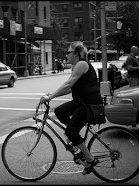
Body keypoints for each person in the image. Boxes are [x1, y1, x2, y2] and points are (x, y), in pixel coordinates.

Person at [40, 41, 102, 175]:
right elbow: (70, 88)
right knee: (59, 111)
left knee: (70, 131)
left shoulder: (81, 64)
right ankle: (73, 136)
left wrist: (50, 98)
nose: (66, 55)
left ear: (76, 53)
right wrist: (53, 95)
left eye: (68, 52)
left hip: (89, 104)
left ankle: (90, 160)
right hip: (81, 102)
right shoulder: (76, 66)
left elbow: (68, 84)